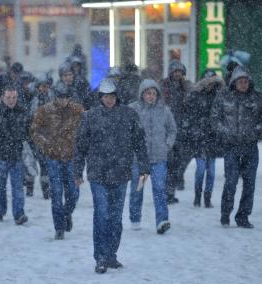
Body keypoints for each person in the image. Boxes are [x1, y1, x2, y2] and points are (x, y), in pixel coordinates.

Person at [74, 78, 149, 274]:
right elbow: (80, 145)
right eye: (105, 96)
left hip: (121, 172)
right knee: (101, 214)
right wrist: (77, 170)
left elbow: (139, 142)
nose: (109, 100)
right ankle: (100, 256)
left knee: (115, 217)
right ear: (100, 97)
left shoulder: (129, 115)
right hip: (98, 173)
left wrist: (143, 166)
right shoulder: (90, 117)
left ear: (117, 97)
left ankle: (111, 255)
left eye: (112, 96)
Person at [30, 82, 84, 240]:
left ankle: (66, 213)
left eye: (65, 98)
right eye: (60, 97)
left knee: (74, 193)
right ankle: (59, 227)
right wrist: (44, 144)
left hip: (72, 157)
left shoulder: (78, 110)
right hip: (53, 157)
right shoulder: (45, 110)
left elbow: (87, 129)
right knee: (56, 193)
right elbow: (34, 130)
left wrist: (82, 146)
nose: (63, 101)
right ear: (55, 97)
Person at [211, 66, 262, 228]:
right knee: (231, 182)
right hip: (231, 147)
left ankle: (243, 216)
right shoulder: (223, 97)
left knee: (249, 184)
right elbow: (214, 118)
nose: (243, 84)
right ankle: (225, 213)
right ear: (234, 82)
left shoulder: (257, 97)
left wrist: (256, 130)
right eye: (240, 81)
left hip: (250, 147)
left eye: (246, 81)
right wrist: (225, 132)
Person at [128, 79, 177, 233]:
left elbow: (172, 130)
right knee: (138, 189)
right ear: (142, 94)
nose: (151, 96)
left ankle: (162, 220)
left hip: (158, 159)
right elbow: (125, 131)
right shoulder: (133, 110)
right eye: (148, 93)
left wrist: (167, 145)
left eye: (154, 93)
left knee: (159, 189)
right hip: (140, 161)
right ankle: (135, 218)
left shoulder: (164, 110)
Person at [184, 69, 224, 207]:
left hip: (213, 138)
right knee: (201, 169)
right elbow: (188, 113)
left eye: (212, 82)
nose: (209, 85)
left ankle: (207, 198)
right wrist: (192, 130)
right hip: (198, 137)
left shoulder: (220, 96)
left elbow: (222, 116)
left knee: (211, 171)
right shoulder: (194, 96)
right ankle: (197, 196)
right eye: (207, 82)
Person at [0, 85, 29, 225]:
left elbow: (27, 131)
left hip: (16, 154)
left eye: (14, 97)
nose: (11, 100)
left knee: (18, 187)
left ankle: (19, 214)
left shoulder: (22, 110)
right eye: (8, 98)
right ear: (2, 97)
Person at [160, 60, 194, 204]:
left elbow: (193, 100)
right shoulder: (163, 86)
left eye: (180, 71)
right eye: (175, 71)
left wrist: (187, 86)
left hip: (182, 128)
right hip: (166, 129)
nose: (178, 74)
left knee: (179, 160)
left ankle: (171, 189)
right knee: (169, 162)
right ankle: (167, 192)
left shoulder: (185, 86)